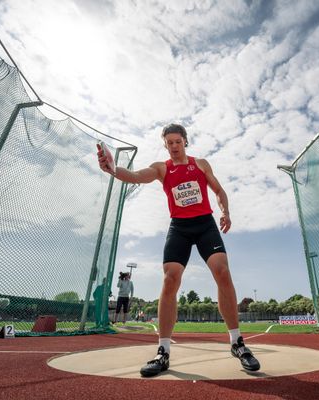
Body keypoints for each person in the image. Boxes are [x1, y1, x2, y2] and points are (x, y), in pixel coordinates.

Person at [97, 123, 260, 377]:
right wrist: (113, 170)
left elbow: (218, 190)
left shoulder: (201, 164)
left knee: (222, 271)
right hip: (180, 227)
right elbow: (137, 176)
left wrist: (225, 212)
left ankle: (237, 343)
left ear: (185, 142)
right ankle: (163, 352)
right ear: (165, 145)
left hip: (205, 224)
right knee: (170, 278)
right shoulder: (162, 168)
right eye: (169, 142)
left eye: (177, 141)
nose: (173, 146)